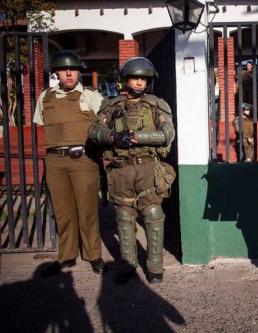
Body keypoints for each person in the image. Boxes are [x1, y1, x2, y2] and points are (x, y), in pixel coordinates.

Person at [88, 57, 175, 284]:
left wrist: (138, 137)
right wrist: (114, 136)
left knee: (153, 214)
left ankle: (155, 268)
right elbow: (94, 131)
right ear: (126, 80)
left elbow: (168, 134)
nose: (139, 83)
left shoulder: (157, 105)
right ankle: (127, 266)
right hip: (120, 170)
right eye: (135, 78)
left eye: (143, 79)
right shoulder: (111, 106)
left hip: (148, 167)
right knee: (124, 216)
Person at [33, 50, 105, 276]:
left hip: (83, 158)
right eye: (64, 70)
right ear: (57, 73)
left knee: (87, 210)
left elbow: (104, 126)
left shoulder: (90, 96)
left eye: (72, 69)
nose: (68, 73)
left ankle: (93, 255)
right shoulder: (45, 97)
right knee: (63, 211)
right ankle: (67, 255)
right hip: (54, 160)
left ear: (78, 72)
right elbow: (41, 125)